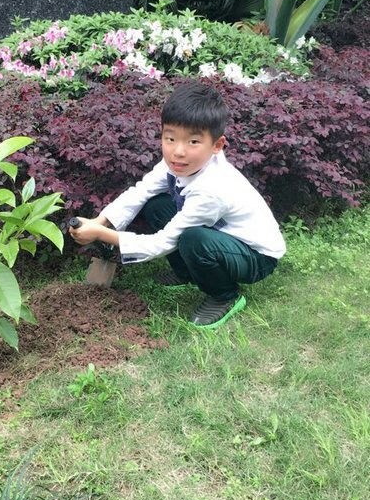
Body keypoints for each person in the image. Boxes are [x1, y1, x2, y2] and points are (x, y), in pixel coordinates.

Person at [69, 80, 286, 328]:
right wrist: (99, 221)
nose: (178, 151)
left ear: (217, 145)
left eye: (193, 142)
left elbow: (160, 243)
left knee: (194, 239)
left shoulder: (213, 189)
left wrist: (100, 234)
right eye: (170, 138)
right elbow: (141, 191)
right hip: (222, 234)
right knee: (155, 205)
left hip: (256, 255)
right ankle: (186, 273)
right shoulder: (177, 163)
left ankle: (224, 295)